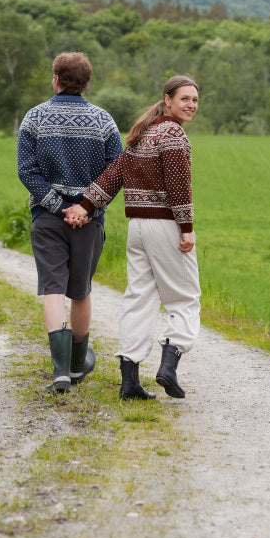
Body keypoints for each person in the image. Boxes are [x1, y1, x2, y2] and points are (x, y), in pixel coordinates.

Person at [64, 75, 200, 400]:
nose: (191, 105)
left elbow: (114, 175)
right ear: (167, 99)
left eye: (195, 100)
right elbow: (179, 187)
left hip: (137, 227)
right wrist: (187, 228)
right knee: (184, 297)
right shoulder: (172, 134)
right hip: (165, 226)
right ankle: (169, 364)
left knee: (139, 297)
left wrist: (84, 206)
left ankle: (130, 380)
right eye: (185, 99)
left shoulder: (144, 133)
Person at [17, 52, 123, 393]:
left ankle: (60, 370)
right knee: (80, 291)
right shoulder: (104, 122)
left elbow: (26, 170)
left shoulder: (33, 119)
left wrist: (59, 206)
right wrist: (85, 209)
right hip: (89, 222)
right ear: (87, 82)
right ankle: (78, 365)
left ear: (56, 79)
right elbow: (115, 171)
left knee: (53, 289)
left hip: (48, 219)